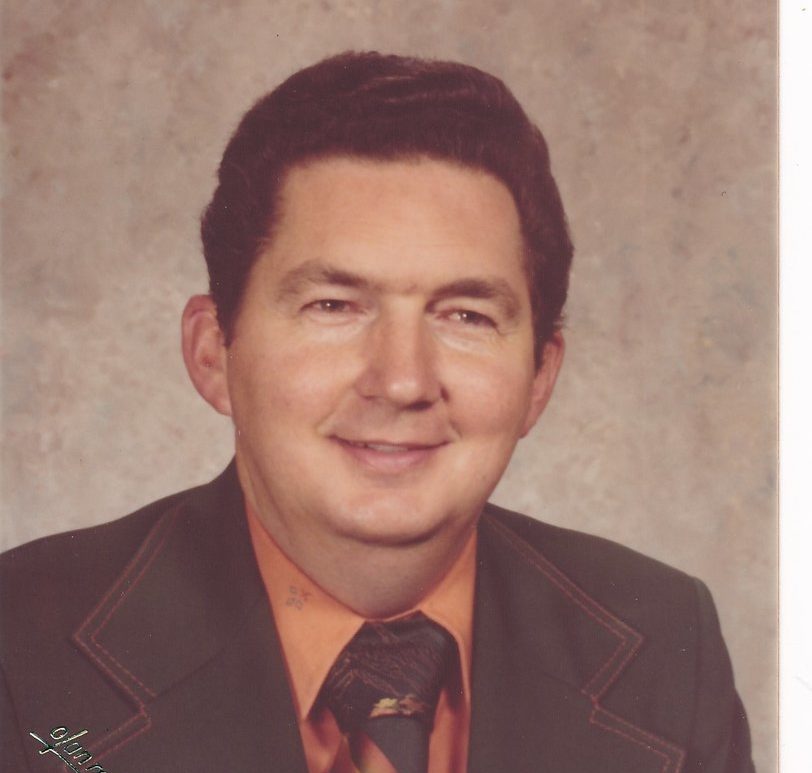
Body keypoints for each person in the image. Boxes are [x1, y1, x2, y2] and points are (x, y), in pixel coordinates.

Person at [0, 51, 753, 773]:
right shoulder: (23, 648)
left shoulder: (664, 645)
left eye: (466, 316)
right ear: (212, 354)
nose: (401, 381)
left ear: (539, 378)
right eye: (333, 305)